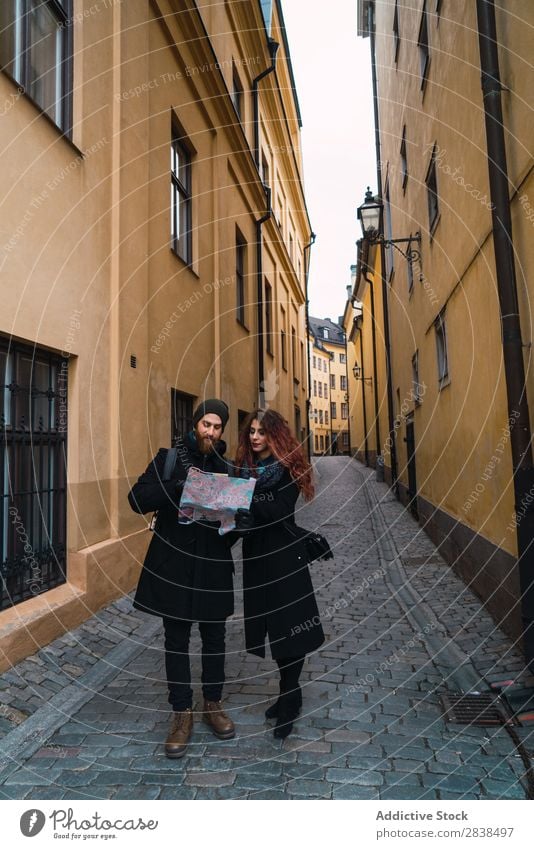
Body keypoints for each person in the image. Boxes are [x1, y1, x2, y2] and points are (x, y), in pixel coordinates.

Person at [128, 399, 236, 758]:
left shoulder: (227, 467)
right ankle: (181, 713)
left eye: (218, 426)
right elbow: (137, 499)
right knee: (176, 639)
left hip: (213, 566)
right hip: (174, 565)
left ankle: (213, 704)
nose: (211, 432)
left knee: (214, 637)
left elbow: (235, 526)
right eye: (206, 424)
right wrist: (177, 487)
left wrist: (235, 520)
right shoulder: (169, 459)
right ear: (195, 424)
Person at [234, 409, 325, 739]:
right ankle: (290, 692)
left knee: (291, 631)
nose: (255, 437)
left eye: (261, 432)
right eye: (252, 432)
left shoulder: (285, 470)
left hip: (286, 557)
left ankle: (289, 697)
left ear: (275, 437)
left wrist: (241, 497)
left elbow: (278, 512)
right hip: (257, 559)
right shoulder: (246, 469)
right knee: (273, 631)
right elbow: (241, 514)